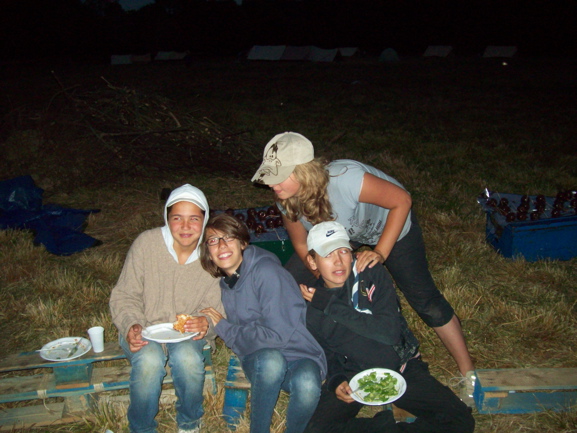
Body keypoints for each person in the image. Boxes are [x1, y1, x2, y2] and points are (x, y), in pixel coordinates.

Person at [251, 131, 476, 398]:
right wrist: (322, 275)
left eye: (279, 176)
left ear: (303, 172)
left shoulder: (346, 180)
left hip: (390, 225)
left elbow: (402, 201)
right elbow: (301, 244)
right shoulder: (286, 198)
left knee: (425, 299)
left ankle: (468, 374)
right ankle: (296, 356)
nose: (272, 184)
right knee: (289, 283)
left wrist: (380, 252)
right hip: (343, 235)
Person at [300, 221, 475, 433]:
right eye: (328, 254)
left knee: (460, 422)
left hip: (400, 368)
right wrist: (337, 380)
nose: (338, 261)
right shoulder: (313, 309)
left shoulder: (370, 272)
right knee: (313, 429)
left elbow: (389, 333)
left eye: (343, 251)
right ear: (312, 262)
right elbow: (328, 354)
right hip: (355, 376)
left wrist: (332, 306)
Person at [109, 184, 224, 433]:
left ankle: (190, 422)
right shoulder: (147, 244)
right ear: (166, 218)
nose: (185, 226)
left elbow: (217, 307)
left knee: (188, 359)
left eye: (194, 218)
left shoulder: (212, 254)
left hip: (187, 333)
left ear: (205, 219)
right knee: (150, 360)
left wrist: (205, 322)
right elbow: (125, 294)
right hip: (144, 327)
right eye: (177, 218)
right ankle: (141, 427)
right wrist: (131, 325)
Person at [199, 213, 327, 433]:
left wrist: (227, 329)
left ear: (243, 243)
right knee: (271, 361)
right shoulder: (225, 282)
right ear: (208, 252)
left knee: (307, 384)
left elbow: (277, 336)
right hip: (261, 358)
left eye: (228, 237)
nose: (221, 245)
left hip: (298, 353)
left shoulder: (267, 273)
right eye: (213, 240)